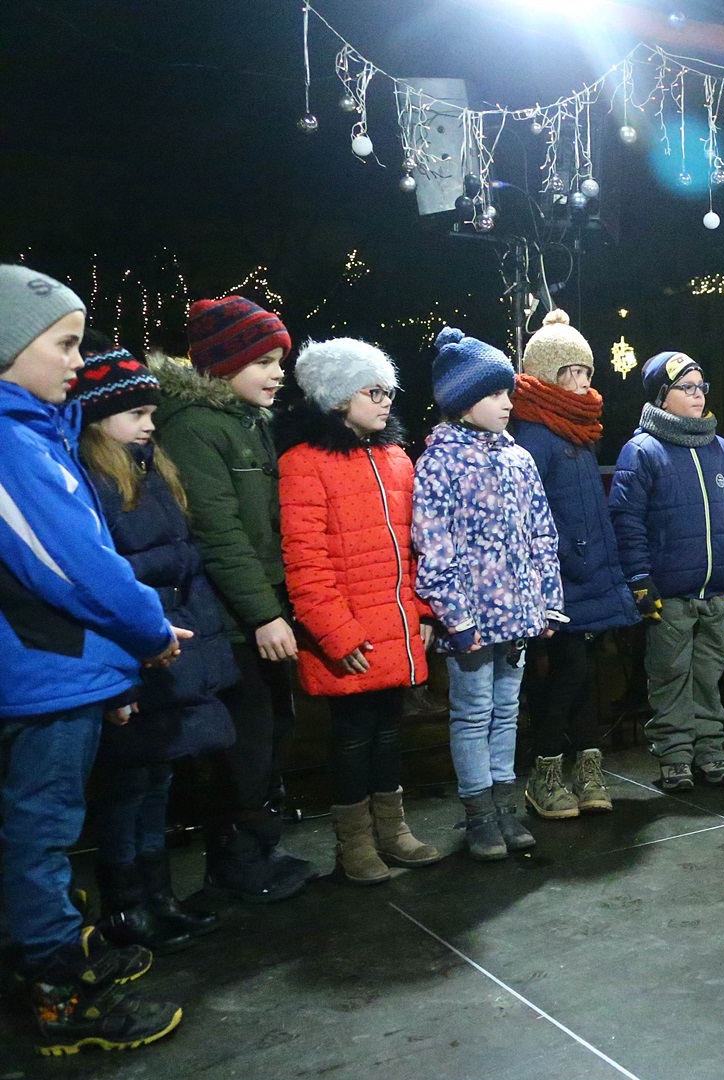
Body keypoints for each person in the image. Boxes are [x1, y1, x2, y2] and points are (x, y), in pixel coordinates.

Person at [0, 265, 186, 1053]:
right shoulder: (11, 441)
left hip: (59, 665)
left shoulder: (34, 429)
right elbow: (74, 563)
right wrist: (147, 632)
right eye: (65, 344)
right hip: (43, 674)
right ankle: (57, 1000)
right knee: (37, 834)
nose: (78, 362)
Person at [74, 348, 233, 953]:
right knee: (125, 785)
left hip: (171, 645)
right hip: (133, 652)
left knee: (157, 778)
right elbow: (103, 576)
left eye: (151, 411)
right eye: (137, 412)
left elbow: (182, 555)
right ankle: (125, 905)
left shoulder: (151, 471)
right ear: (98, 417)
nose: (149, 424)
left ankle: (159, 894)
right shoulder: (93, 478)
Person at [153, 295, 311, 903]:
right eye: (265, 360)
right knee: (245, 740)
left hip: (260, 607)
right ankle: (235, 863)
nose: (278, 373)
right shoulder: (194, 428)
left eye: (280, 360)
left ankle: (257, 849)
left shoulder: (248, 423)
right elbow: (218, 534)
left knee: (272, 730)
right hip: (231, 619)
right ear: (225, 363)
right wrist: (265, 614)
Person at [278, 338, 442, 884]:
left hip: (395, 625)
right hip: (348, 635)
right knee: (351, 738)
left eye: (388, 390)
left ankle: (392, 832)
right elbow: (305, 561)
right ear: (336, 397)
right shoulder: (303, 464)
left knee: (390, 733)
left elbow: (414, 545)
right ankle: (355, 844)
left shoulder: (396, 459)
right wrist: (337, 635)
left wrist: (419, 610)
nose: (385, 401)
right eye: (372, 391)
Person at [413, 328, 565, 860]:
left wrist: (547, 601)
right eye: (494, 394)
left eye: (507, 392)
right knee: (473, 712)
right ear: (461, 401)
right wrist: (458, 618)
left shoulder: (518, 458)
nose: (507, 402)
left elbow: (542, 534)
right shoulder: (440, 462)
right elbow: (435, 548)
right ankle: (478, 812)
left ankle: (504, 805)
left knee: (507, 711)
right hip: (473, 621)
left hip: (519, 616)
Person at [510, 311, 640, 819]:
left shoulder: (578, 431)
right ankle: (546, 771)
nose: (582, 383)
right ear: (545, 375)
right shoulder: (536, 435)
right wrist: (569, 555)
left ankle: (587, 768)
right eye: (570, 373)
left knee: (588, 675)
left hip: (592, 576)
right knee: (568, 672)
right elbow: (534, 512)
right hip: (561, 579)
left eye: (585, 373)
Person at [609, 350, 724, 789]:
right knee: (670, 675)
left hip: (714, 590)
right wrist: (639, 579)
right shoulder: (642, 450)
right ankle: (674, 754)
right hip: (669, 593)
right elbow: (627, 520)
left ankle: (710, 749)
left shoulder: (720, 448)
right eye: (686, 388)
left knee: (709, 673)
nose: (697, 395)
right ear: (662, 396)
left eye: (701, 387)